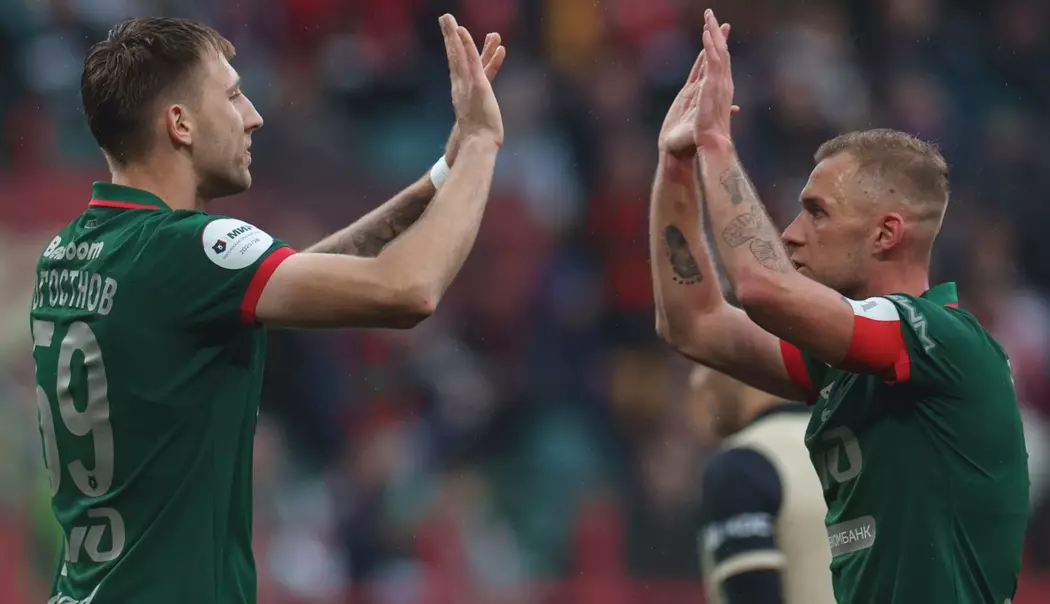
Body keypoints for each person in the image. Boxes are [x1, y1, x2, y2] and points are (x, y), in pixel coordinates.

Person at [30, 15, 504, 604]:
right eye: (232, 96)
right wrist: (482, 145)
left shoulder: (70, 252)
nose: (253, 116)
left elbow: (302, 274)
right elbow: (410, 288)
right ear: (180, 124)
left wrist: (443, 174)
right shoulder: (185, 248)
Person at [649, 9, 1028, 604]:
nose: (791, 234)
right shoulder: (845, 365)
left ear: (886, 233)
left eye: (817, 212)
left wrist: (717, 143)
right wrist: (677, 166)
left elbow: (761, 287)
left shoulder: (942, 339)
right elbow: (693, 324)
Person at [690, 365, 833, 604]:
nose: (696, 381)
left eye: (703, 363)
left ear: (742, 355)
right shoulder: (857, 443)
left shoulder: (739, 468)